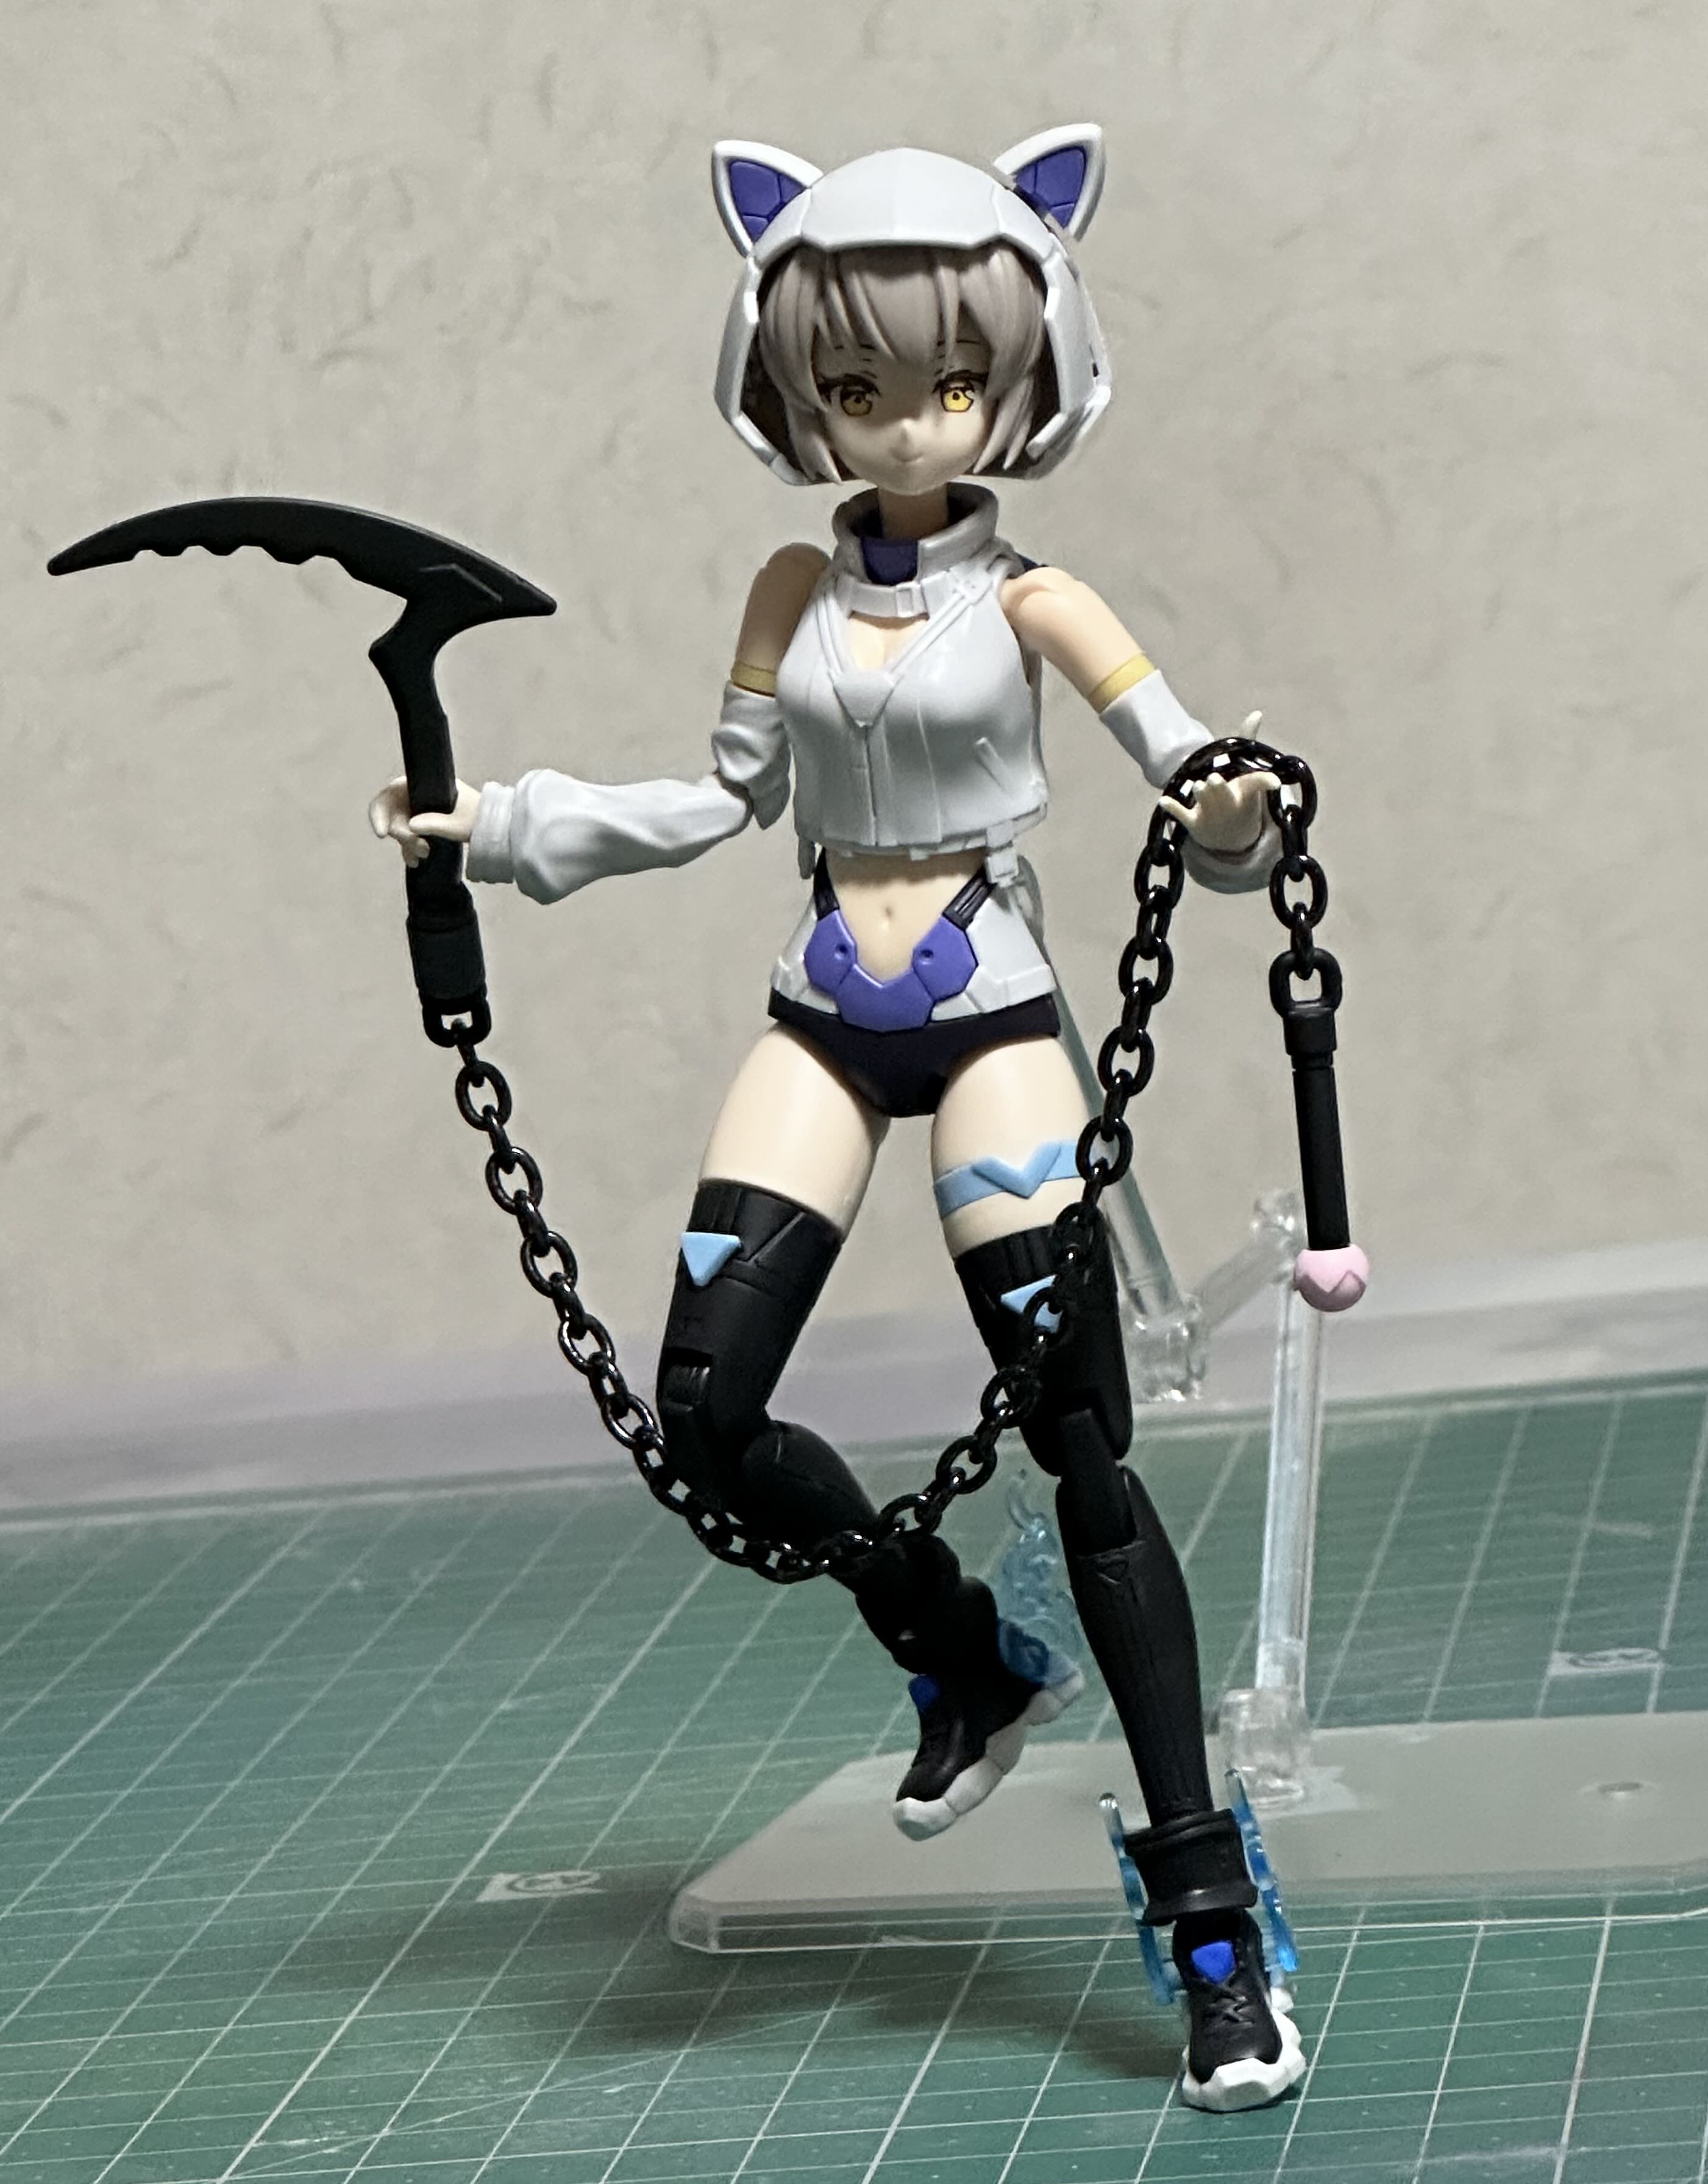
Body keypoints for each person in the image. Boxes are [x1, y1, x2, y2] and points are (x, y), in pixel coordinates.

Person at [371, 127, 1303, 2111]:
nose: (902, 420)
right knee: (705, 1409)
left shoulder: (1040, 602)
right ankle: (954, 1648)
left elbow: (1188, 770)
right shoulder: (789, 585)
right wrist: (504, 823)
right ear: (790, 385)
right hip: (821, 1004)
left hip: (986, 1008)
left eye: (951, 381)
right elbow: (720, 798)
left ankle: (1209, 1913)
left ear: (1025, 377)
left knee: (1077, 1440)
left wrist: (1230, 812)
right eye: (857, 384)